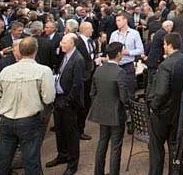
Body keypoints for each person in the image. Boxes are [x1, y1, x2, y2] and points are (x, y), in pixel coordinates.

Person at [0, 36, 55, 175]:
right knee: (31, 161)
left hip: (7, 119)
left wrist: (8, 104)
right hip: (29, 120)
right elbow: (49, 98)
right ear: (35, 51)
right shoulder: (44, 71)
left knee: (2, 160)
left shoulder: (6, 70)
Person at [148, 33, 183, 175]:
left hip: (163, 114)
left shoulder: (165, 65)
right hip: (180, 112)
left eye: (164, 44)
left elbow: (161, 92)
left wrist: (153, 107)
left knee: (156, 149)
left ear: (170, 45)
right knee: (175, 148)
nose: (163, 47)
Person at [88, 42, 131, 175]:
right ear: (118, 54)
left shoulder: (99, 70)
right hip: (116, 113)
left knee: (102, 143)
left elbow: (92, 93)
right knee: (115, 147)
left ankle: (98, 172)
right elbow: (124, 97)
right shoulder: (120, 72)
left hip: (102, 112)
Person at [46, 33, 86, 175]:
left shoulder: (78, 59)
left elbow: (77, 85)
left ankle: (72, 164)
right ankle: (62, 155)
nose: (61, 44)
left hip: (68, 102)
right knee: (60, 131)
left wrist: (68, 101)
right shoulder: (65, 55)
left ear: (72, 44)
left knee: (71, 134)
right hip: (59, 98)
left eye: (64, 42)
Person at [109, 12, 144, 99]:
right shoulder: (114, 34)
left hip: (128, 66)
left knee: (129, 91)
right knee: (115, 92)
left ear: (125, 20)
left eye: (119, 20)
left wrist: (129, 52)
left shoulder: (134, 33)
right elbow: (109, 49)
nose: (117, 22)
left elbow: (140, 50)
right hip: (115, 66)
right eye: (116, 21)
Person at [74, 21, 97, 140]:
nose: (93, 31)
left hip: (90, 76)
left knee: (87, 102)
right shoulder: (78, 43)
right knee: (82, 104)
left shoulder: (91, 42)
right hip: (83, 78)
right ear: (86, 29)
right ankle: (78, 130)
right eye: (91, 29)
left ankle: (80, 128)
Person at [145, 20, 173, 98]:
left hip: (152, 60)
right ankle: (149, 99)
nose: (171, 29)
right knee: (152, 82)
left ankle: (147, 98)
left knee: (150, 82)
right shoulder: (163, 34)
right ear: (167, 26)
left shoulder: (159, 32)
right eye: (171, 27)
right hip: (155, 61)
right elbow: (167, 45)